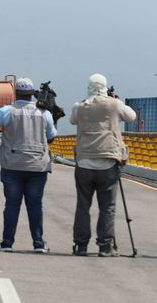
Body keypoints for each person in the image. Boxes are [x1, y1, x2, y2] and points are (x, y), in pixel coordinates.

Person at [0, 77, 57, 253]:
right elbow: (51, 137)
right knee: (35, 204)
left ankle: (7, 242)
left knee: (11, 204)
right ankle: (38, 243)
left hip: (12, 165)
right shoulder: (44, 113)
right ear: (32, 94)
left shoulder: (7, 111)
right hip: (37, 166)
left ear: (15, 93)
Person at [70, 73, 136, 257]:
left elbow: (73, 120)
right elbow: (131, 116)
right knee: (107, 207)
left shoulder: (79, 106)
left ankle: (81, 245)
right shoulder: (114, 105)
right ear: (105, 87)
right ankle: (105, 246)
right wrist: (116, 100)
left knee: (83, 206)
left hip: (84, 163)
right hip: (107, 163)